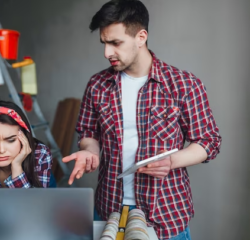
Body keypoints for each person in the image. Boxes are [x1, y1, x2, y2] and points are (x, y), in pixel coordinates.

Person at [62, 1, 222, 239]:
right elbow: (88, 133)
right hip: (109, 210)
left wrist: (172, 161)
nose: (107, 53)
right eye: (104, 43)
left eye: (115, 43)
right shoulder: (97, 85)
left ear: (141, 36)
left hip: (166, 214)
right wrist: (89, 151)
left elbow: (209, 141)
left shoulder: (184, 84)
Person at [0, 100, 53, 227]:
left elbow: (33, 216)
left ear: (24, 137)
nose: (1, 150)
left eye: (11, 140)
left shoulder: (40, 154)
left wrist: (17, 168)